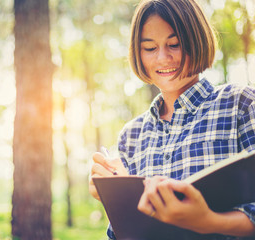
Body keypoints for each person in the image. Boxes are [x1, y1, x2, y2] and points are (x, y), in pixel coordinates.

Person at [88, 0, 255, 239]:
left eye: (174, 44)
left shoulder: (241, 104)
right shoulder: (131, 136)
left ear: (197, 40)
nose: (163, 58)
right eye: (149, 48)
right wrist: (112, 197)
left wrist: (209, 221)